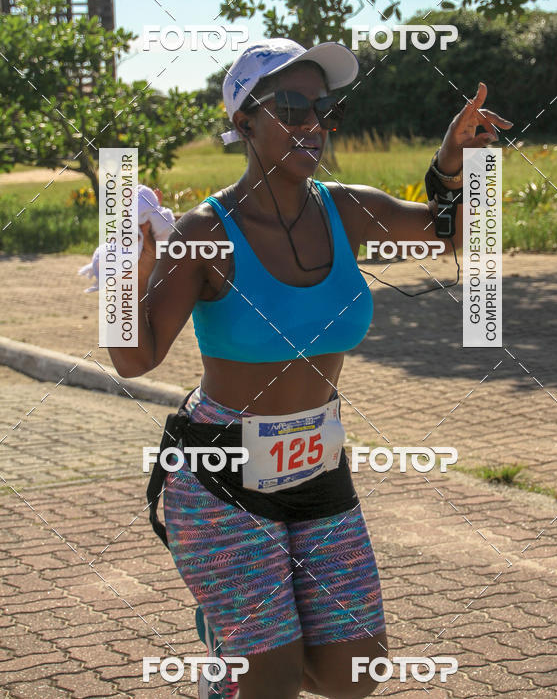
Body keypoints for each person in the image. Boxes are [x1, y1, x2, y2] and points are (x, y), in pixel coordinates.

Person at [108, 38, 513, 699]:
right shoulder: (205, 232)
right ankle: (241, 653)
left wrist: (455, 163)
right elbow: (134, 359)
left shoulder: (345, 210)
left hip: (317, 464)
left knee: (355, 673)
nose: (313, 126)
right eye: (292, 108)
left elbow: (456, 235)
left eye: (324, 110)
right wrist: (125, 275)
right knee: (269, 683)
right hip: (220, 473)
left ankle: (235, 641)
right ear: (244, 122)